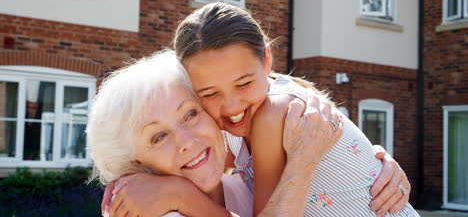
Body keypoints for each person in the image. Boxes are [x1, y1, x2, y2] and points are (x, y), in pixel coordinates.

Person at [104, 3, 413, 216]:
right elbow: (190, 158)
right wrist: (133, 175)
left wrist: (178, 196)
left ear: (267, 61)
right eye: (209, 93)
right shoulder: (240, 125)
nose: (232, 105)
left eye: (243, 83)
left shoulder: (272, 114)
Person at [88, 50, 342, 217]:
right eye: (158, 137)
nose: (187, 141)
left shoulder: (248, 184)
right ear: (134, 163)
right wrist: (303, 161)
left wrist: (374, 165)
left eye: (191, 114)